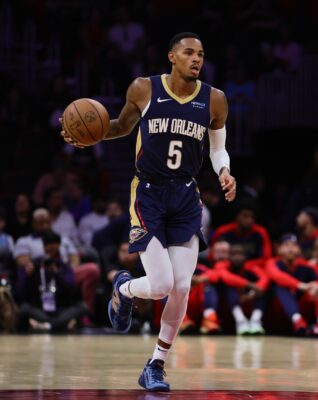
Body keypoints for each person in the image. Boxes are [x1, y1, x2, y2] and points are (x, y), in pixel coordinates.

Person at [61, 32, 236, 392]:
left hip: (187, 194)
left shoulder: (214, 99)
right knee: (160, 286)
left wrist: (223, 171)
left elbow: (218, 149)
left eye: (201, 54)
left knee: (183, 288)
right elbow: (120, 127)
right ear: (172, 56)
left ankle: (156, 364)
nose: (196, 58)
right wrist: (87, 136)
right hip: (149, 194)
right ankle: (124, 290)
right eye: (189, 52)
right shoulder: (144, 88)